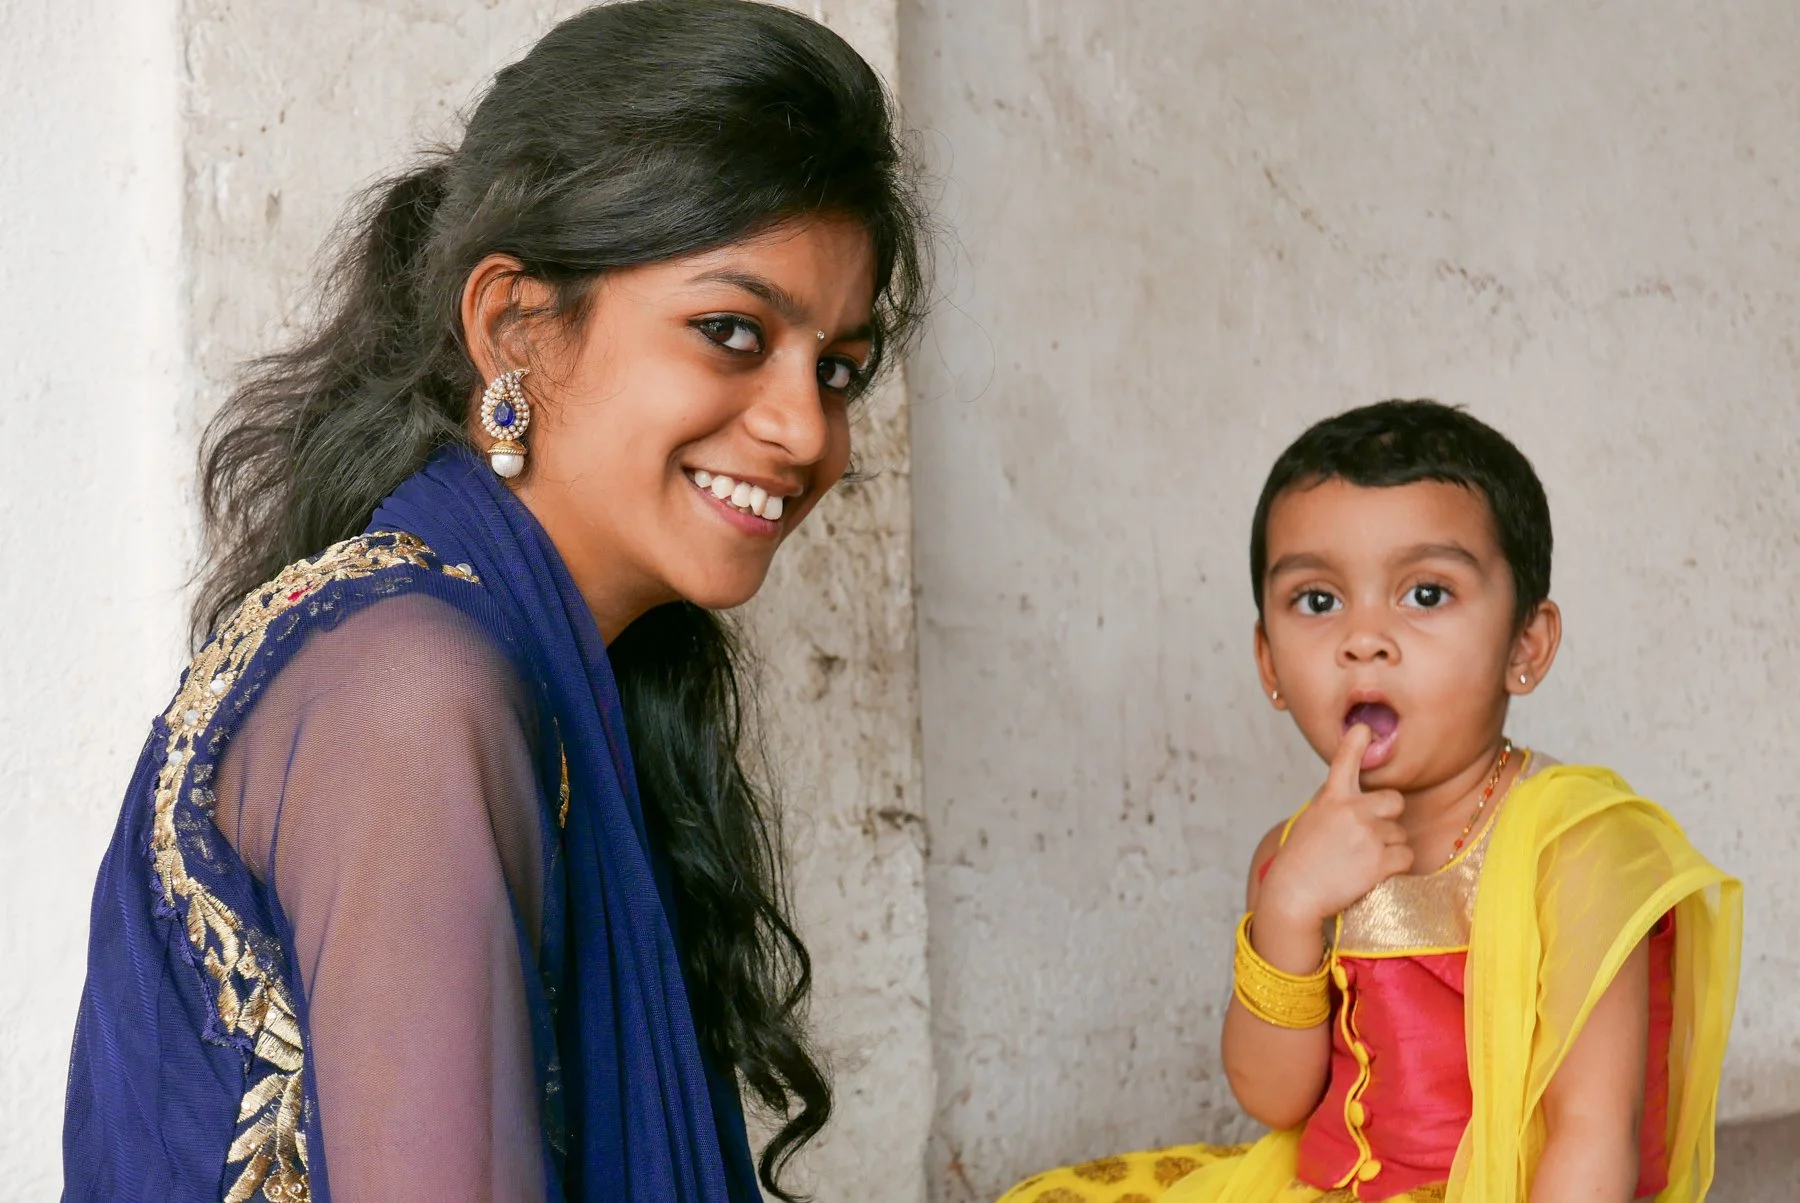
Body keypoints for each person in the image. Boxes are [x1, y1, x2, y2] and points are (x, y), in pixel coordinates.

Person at [61, 3, 928, 1200]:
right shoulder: (415, 693)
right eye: (732, 331)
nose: (803, 429)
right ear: (514, 324)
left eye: (838, 367)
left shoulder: (521, 657)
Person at [999, 400, 1740, 1202]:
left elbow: (1593, 1130)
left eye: (1425, 594)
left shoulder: (1578, 846)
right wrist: (1287, 911)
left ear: (1526, 644)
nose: (1364, 638)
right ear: (1269, 664)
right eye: (1318, 601)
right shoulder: (1294, 853)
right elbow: (1273, 1096)